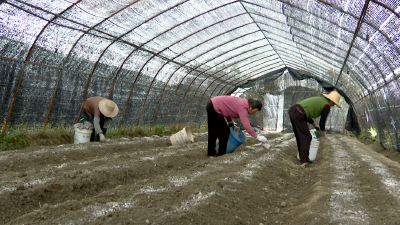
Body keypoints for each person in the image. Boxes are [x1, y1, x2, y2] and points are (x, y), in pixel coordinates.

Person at [288, 90, 342, 168]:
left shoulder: (320, 101)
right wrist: (322, 131)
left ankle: (303, 158)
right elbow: (322, 123)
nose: (333, 105)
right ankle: (305, 162)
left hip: (294, 110)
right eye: (334, 103)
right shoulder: (326, 106)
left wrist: (314, 125)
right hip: (299, 113)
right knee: (306, 137)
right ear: (331, 100)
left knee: (300, 136)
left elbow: (307, 111)